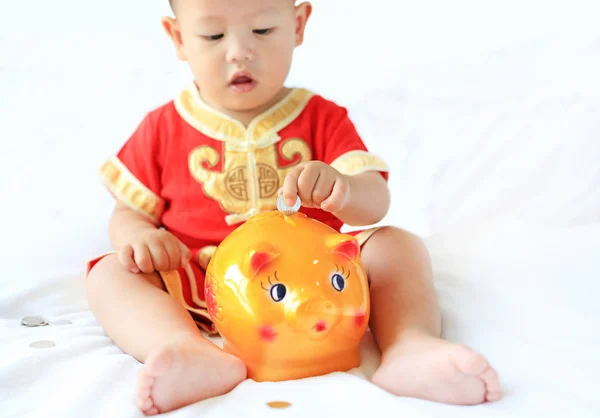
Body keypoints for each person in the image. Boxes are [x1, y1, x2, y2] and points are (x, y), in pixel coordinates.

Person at [85, 0, 502, 415]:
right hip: (201, 280)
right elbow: (128, 211)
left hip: (321, 284)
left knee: (397, 243)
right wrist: (140, 238)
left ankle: (409, 344)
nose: (239, 51)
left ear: (298, 25)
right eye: (213, 35)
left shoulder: (322, 117)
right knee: (110, 272)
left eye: (262, 31)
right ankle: (185, 349)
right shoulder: (162, 127)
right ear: (178, 38)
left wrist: (344, 190)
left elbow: (376, 202)